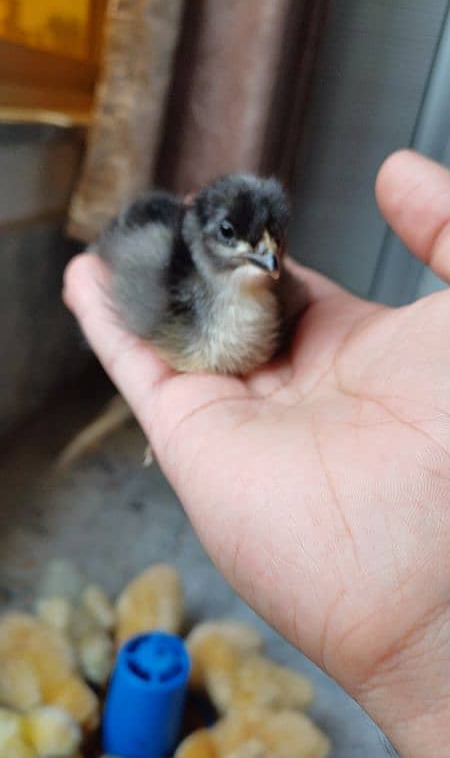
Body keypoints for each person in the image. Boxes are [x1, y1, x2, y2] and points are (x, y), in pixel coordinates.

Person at [63, 150, 450, 757]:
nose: (265, 254)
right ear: (200, 234)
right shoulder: (165, 282)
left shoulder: (279, 298)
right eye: (233, 235)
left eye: (273, 239)